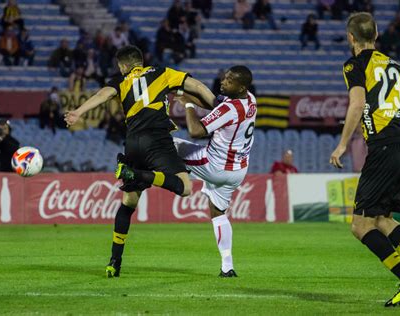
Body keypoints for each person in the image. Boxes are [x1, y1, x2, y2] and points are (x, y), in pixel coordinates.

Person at [64, 45, 216, 278]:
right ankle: (137, 175)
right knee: (185, 188)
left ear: (123, 66)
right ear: (140, 62)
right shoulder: (162, 72)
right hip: (157, 138)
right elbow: (195, 86)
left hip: (133, 143)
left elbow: (102, 95)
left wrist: (78, 112)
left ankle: (114, 262)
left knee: (128, 204)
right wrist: (218, 105)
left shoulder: (120, 80)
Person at [330, 12, 400, 307]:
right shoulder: (394, 65)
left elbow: (357, 103)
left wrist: (341, 145)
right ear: (376, 36)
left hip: (383, 148)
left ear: (351, 38)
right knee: (383, 219)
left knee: (360, 225)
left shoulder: (354, 64)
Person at [130, 65, 256, 277]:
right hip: (237, 171)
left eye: (229, 81)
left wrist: (188, 105)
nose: (223, 82)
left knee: (166, 145)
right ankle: (228, 267)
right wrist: (180, 92)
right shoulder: (250, 100)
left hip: (215, 164)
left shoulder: (231, 109)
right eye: (224, 78)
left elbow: (196, 131)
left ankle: (137, 173)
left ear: (240, 86)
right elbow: (213, 103)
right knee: (218, 213)